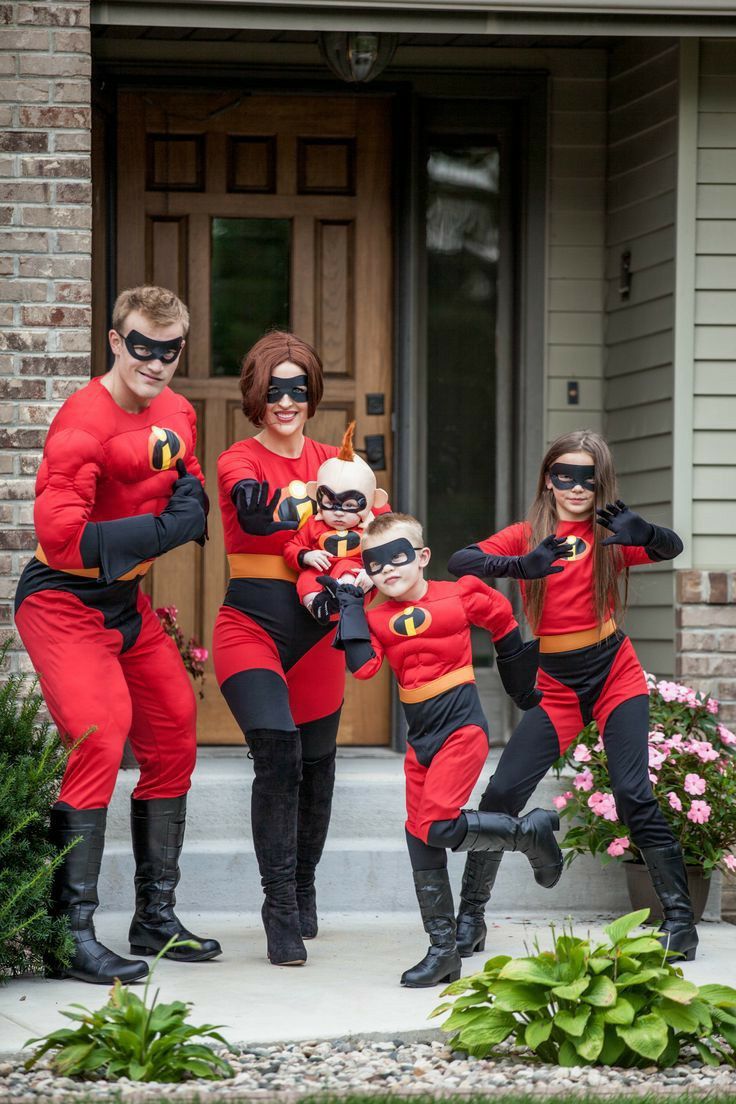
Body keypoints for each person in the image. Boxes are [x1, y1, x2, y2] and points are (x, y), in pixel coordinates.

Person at [14, 285, 221, 985]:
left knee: (175, 724)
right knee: (100, 736)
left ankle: (155, 917)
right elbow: (61, 537)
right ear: (114, 340)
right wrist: (167, 529)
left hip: (123, 601)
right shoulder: (81, 424)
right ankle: (70, 934)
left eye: (169, 350)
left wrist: (189, 504)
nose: (155, 362)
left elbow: (188, 479)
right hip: (62, 601)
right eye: (141, 346)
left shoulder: (177, 410)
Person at [448, 429, 697, 961]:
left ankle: (680, 921)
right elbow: (460, 562)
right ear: (549, 479)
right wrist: (517, 567)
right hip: (556, 683)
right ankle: (470, 918)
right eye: (566, 475)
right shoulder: (527, 534)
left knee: (633, 792)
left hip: (613, 672)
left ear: (601, 481)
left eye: (589, 476)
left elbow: (673, 547)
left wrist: (646, 531)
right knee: (501, 796)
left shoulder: (611, 535)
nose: (577, 487)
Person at [322, 511, 563, 988]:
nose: (388, 570)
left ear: (422, 557)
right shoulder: (373, 615)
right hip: (421, 738)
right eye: (375, 564)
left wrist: (520, 687)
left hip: (461, 729)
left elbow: (502, 618)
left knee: (435, 824)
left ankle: (527, 834)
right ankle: (443, 949)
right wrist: (350, 610)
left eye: (397, 557)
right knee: (418, 832)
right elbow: (365, 669)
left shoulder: (459, 594)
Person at [214, 331, 372, 967]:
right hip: (250, 625)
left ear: (312, 396)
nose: (286, 401)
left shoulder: (338, 466)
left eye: (297, 389)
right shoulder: (236, 459)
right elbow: (253, 517)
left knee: (318, 767)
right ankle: (278, 907)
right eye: (274, 389)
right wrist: (302, 504)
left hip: (320, 633)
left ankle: (305, 884)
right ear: (256, 395)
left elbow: (371, 529)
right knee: (276, 755)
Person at [282, 421, 388, 621]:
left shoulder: (371, 530)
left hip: (355, 581)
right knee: (306, 579)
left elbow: (384, 553)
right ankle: (317, 606)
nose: (339, 513)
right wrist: (306, 555)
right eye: (331, 504)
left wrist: (372, 572)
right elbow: (291, 546)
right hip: (321, 574)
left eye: (349, 506)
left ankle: (344, 596)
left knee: (347, 567)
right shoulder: (314, 524)